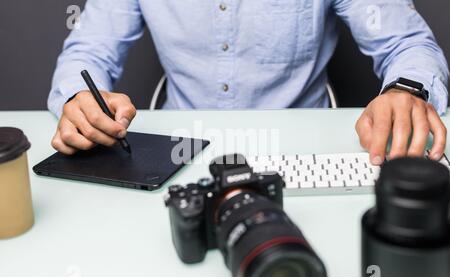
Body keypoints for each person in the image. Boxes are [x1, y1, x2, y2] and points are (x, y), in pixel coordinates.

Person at [48, 0, 449, 165]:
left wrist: (406, 90)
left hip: (302, 156)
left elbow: (407, 42)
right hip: (174, 158)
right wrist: (81, 98)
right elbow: (87, 51)